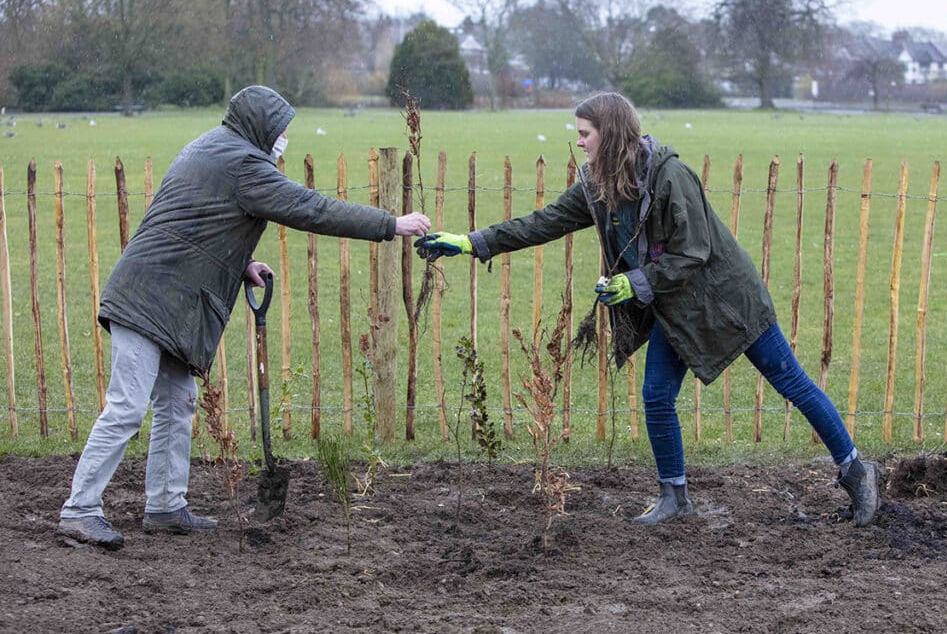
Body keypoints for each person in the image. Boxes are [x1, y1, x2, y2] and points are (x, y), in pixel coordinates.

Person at [415, 91, 880, 527]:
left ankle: (856, 471)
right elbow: (544, 222)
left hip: (727, 300)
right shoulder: (600, 185)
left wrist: (633, 282)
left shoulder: (670, 177)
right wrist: (472, 243)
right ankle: (674, 497)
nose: (578, 143)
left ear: (611, 134)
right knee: (657, 395)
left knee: (790, 381)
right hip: (677, 308)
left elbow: (693, 252)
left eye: (585, 133)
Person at [58, 85, 431, 549]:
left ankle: (165, 506)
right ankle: (79, 509)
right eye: (281, 130)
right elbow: (310, 208)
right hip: (149, 297)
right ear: (262, 127)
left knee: (178, 402)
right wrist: (390, 225)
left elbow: (194, 221)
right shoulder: (244, 165)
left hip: (167, 294)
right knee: (127, 406)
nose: (284, 139)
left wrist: (240, 264)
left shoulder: (209, 146)